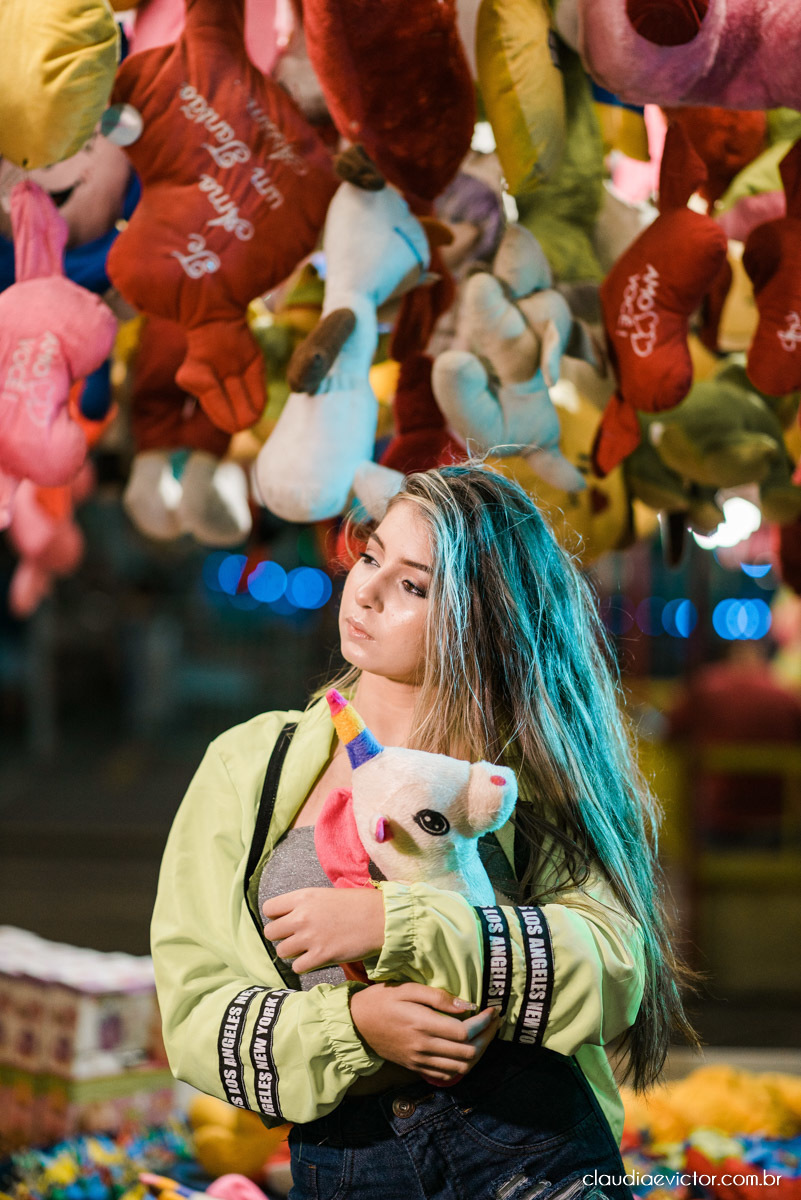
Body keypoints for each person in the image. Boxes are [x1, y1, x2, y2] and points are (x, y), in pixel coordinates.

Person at [151, 464, 697, 1200]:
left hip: (528, 1152)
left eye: (413, 585)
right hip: (346, 1163)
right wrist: (355, 1026)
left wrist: (395, 925)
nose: (366, 591)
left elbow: (612, 967)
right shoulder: (248, 763)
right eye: (370, 557)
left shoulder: (522, 771)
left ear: (483, 616)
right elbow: (194, 1007)